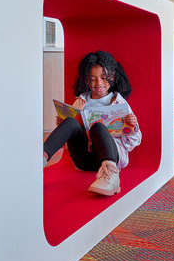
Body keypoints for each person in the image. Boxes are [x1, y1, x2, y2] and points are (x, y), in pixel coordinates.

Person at [43, 50, 142, 196]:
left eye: (103, 78)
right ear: (86, 80)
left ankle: (111, 176)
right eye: (93, 79)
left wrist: (132, 126)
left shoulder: (120, 103)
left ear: (112, 76)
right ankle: (41, 158)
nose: (98, 83)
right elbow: (71, 133)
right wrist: (63, 123)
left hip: (110, 157)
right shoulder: (81, 101)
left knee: (97, 126)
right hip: (83, 159)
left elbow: (135, 141)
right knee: (70, 121)